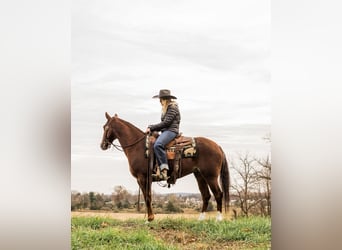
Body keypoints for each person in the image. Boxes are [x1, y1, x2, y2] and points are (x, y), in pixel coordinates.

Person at [146, 89, 181, 181]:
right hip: (166, 130)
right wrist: (152, 128)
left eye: (160, 99)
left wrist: (152, 127)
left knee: (158, 145)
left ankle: (164, 169)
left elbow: (166, 123)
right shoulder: (167, 108)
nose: (159, 101)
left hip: (171, 131)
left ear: (165, 99)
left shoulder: (172, 107)